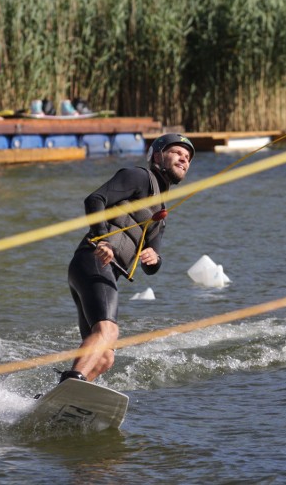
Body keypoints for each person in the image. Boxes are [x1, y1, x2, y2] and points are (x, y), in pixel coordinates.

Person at [61, 133, 196, 384]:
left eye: (187, 158)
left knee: (105, 357)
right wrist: (102, 238)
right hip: (92, 261)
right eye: (177, 153)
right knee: (108, 330)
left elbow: (152, 265)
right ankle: (73, 381)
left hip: (107, 273)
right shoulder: (139, 176)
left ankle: (67, 395)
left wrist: (154, 259)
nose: (184, 159)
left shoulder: (161, 215)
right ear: (157, 156)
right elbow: (95, 199)